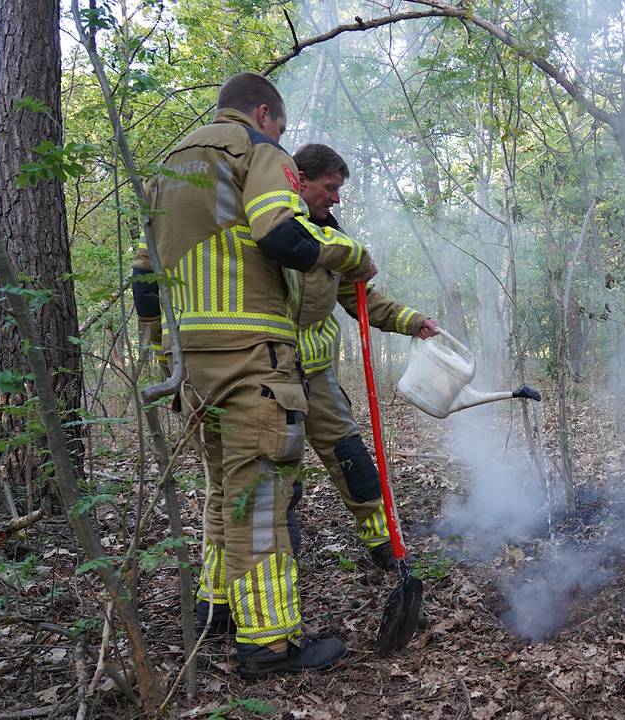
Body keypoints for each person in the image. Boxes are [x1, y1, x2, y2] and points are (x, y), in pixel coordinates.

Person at [131, 73, 377, 678]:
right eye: (281, 130)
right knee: (262, 497)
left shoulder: (169, 165)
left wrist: (164, 353)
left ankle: (218, 609)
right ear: (264, 114)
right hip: (254, 360)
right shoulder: (256, 151)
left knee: (223, 491)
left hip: (196, 363)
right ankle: (269, 643)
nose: (282, 142)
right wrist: (347, 254)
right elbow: (281, 235)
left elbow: (144, 276)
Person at [290, 143, 439, 570]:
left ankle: (384, 546)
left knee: (352, 459)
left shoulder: (335, 244)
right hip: (266, 376)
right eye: (330, 187)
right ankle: (265, 579)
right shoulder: (265, 235)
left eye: (339, 190)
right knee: (279, 482)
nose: (336, 198)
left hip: (317, 377)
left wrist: (413, 321)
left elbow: (362, 300)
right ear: (298, 181)